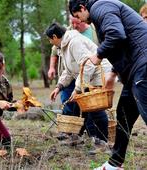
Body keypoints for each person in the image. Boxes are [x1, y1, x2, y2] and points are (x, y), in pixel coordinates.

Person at [69, 0, 147, 169]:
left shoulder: (99, 7)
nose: (80, 21)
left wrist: (98, 55)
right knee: (124, 115)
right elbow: (122, 45)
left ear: (82, 7)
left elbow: (116, 34)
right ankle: (114, 164)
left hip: (143, 67)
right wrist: (112, 73)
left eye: (78, 16)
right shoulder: (102, 10)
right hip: (133, 71)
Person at [45, 23, 112, 149]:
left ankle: (102, 143)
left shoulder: (74, 43)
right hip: (87, 77)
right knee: (77, 106)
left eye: (49, 39)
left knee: (95, 109)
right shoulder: (64, 46)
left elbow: (88, 65)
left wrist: (77, 89)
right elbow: (69, 70)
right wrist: (59, 86)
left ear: (54, 36)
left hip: (97, 74)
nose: (50, 42)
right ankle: (76, 137)